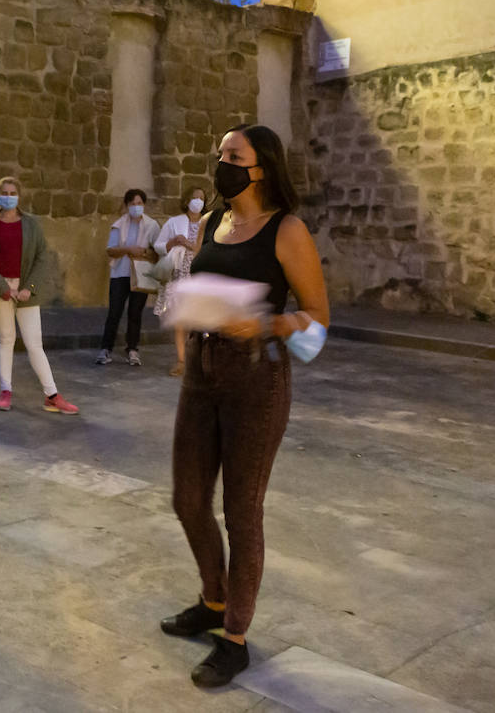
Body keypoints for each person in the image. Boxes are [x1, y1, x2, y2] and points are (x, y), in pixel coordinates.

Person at [159, 124, 329, 688]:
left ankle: (233, 638)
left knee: (241, 510)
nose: (222, 162)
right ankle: (212, 599)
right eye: (220, 154)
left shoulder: (287, 231)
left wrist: (264, 322)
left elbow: (318, 319)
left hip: (256, 378)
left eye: (234, 155)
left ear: (263, 167)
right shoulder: (213, 221)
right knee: (187, 498)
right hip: (203, 372)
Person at [0, 177, 79, 416]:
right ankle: (5, 391)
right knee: (6, 340)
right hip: (1, 291)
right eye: (4, 192)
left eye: (12, 192)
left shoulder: (31, 225)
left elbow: (42, 257)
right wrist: (3, 288)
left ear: (19, 196)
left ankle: (52, 395)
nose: (8, 196)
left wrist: (29, 288)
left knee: (34, 343)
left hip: (25, 293)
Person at [96, 188, 161, 367]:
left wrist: (144, 252)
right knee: (114, 312)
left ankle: (132, 349)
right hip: (120, 273)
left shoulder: (152, 226)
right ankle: (105, 348)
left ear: (144, 205)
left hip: (141, 275)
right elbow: (110, 249)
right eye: (132, 204)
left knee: (135, 312)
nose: (136, 207)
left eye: (139, 203)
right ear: (126, 206)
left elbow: (158, 251)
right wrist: (127, 250)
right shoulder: (119, 224)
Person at [154, 187, 208, 376]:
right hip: (179, 275)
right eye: (194, 197)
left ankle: (197, 360)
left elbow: (210, 248)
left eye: (201, 198)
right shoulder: (174, 222)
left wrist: (190, 245)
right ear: (187, 201)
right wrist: (172, 243)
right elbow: (159, 245)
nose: (198, 201)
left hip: (199, 276)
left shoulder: (207, 222)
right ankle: (181, 360)